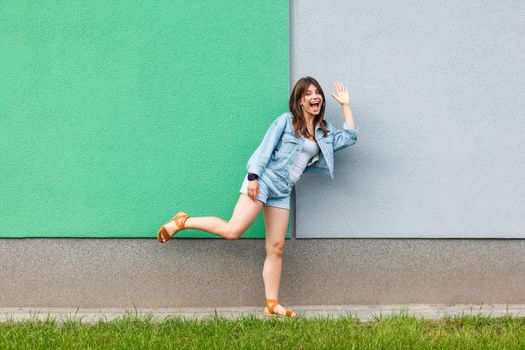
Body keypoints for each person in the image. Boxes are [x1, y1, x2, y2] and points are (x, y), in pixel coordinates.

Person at [157, 76, 358, 318]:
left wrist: (346, 105)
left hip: (282, 191)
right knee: (233, 231)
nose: (314, 96)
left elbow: (350, 137)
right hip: (263, 182)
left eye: (317, 92)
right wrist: (253, 176)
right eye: (308, 94)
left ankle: (271, 304)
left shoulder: (324, 132)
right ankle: (183, 221)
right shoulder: (286, 121)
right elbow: (265, 148)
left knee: (276, 247)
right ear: (300, 101)